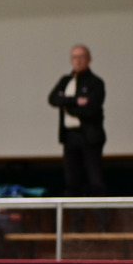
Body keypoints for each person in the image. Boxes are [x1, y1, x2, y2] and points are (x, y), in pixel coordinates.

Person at [48, 44, 107, 198]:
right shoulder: (65, 80)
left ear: (89, 59)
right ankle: (74, 214)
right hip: (69, 136)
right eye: (74, 57)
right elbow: (53, 99)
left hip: (89, 136)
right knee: (72, 180)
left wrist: (67, 107)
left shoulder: (95, 82)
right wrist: (74, 100)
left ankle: (101, 213)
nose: (78, 61)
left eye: (81, 57)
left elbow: (91, 109)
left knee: (95, 179)